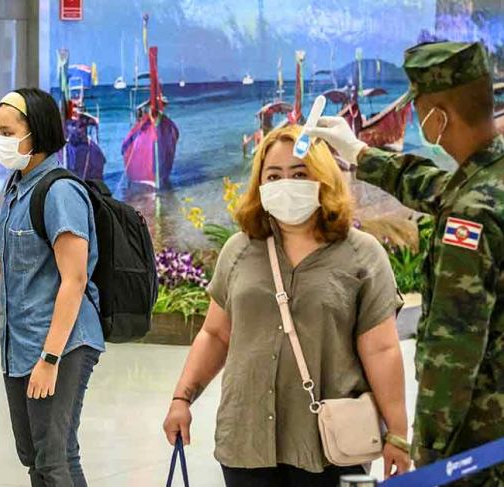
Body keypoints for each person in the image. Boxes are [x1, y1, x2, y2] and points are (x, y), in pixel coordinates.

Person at [162, 124, 411, 487]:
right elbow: (215, 334)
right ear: (260, 184)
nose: (286, 184)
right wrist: (181, 399)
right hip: (246, 440)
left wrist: (398, 434)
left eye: (299, 173)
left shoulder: (361, 254)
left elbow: (381, 349)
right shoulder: (239, 250)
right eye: (274, 175)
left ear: (323, 179)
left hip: (332, 444)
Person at [307, 41, 504, 486]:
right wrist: (359, 152)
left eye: (418, 110)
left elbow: (453, 352)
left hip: (480, 445)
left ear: (438, 118)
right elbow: (441, 188)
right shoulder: (488, 180)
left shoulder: (470, 214)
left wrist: (431, 455)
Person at [0, 88, 104, 487]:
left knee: (55, 458)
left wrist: (50, 359)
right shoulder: (18, 186)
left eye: (7, 133)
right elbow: (29, 250)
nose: (0, 142)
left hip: (62, 343)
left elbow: (74, 279)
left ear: (37, 132)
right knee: (34, 456)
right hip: (21, 343)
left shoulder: (61, 192)